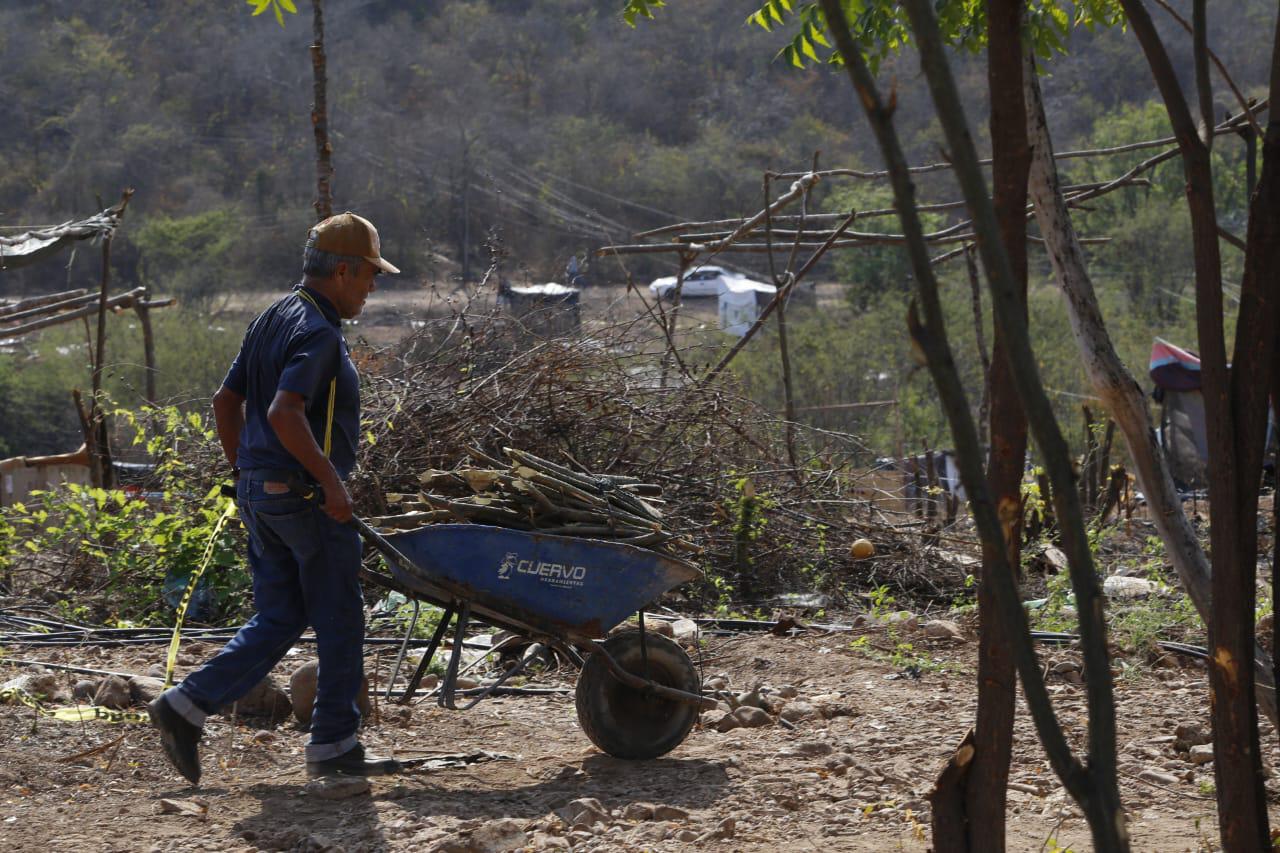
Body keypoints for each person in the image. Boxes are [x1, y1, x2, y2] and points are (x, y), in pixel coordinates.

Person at [148, 212, 401, 784]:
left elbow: (223, 402)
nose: (372, 286)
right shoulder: (318, 332)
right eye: (369, 275)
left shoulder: (271, 318)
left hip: (262, 496)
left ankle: (185, 704)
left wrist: (247, 472)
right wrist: (331, 484)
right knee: (339, 618)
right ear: (342, 270)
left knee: (282, 615)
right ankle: (334, 745)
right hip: (306, 500)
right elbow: (283, 411)